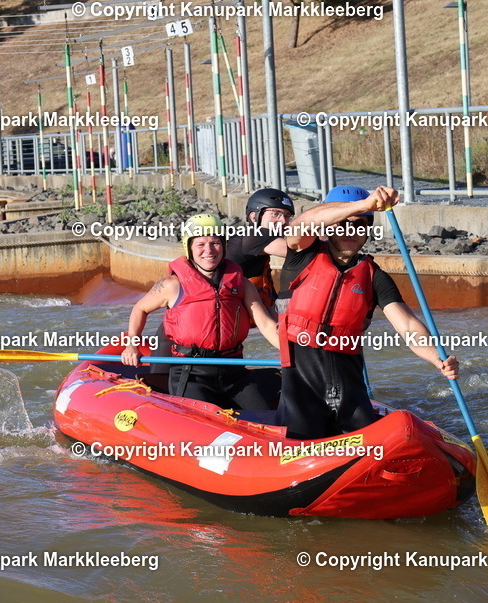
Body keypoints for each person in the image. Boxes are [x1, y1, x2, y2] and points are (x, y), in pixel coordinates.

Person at [276, 185, 460, 440]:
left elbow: (407, 326)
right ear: (328, 227)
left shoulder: (375, 276)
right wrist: (364, 206)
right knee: (300, 437)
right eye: (343, 224)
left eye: (360, 225)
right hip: (301, 389)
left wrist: (438, 359)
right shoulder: (302, 255)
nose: (351, 231)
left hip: (348, 389)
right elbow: (301, 225)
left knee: (377, 442)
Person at [121, 214, 280, 410]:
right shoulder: (172, 285)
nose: (209, 250)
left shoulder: (242, 284)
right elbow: (140, 309)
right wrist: (132, 345)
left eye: (215, 243)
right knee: (201, 416)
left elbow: (266, 324)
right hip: (191, 372)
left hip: (233, 370)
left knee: (265, 415)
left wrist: (291, 352)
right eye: (200, 244)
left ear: (224, 245)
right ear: (189, 247)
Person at [226, 188, 294, 309]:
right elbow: (301, 250)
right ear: (254, 216)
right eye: (275, 214)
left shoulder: (251, 237)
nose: (283, 221)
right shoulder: (254, 236)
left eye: (287, 215)